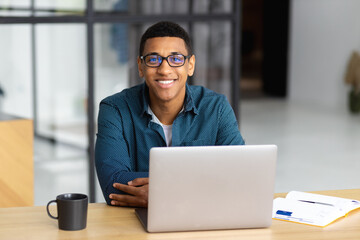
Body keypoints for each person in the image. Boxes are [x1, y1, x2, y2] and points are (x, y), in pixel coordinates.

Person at [95, 21, 245, 207]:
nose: (165, 70)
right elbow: (113, 184)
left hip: (201, 219)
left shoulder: (216, 107)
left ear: (190, 65)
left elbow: (238, 174)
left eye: (175, 59)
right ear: (141, 67)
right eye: (153, 59)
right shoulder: (115, 109)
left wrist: (165, 193)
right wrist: (204, 182)